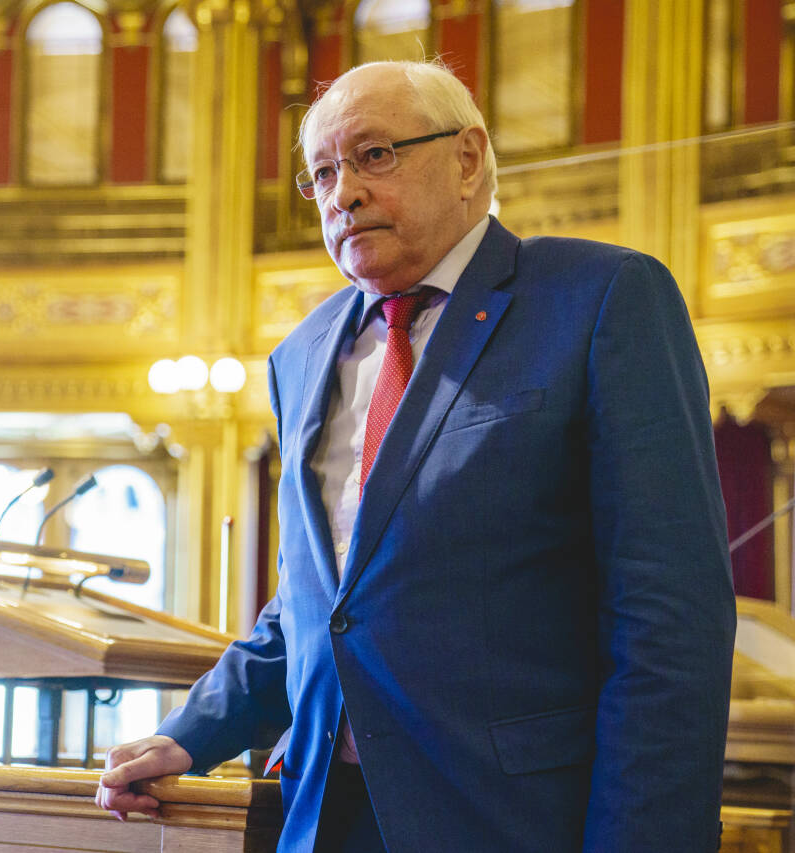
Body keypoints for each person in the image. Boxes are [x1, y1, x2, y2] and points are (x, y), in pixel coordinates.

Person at [95, 59, 737, 852]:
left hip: (520, 820)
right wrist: (190, 733)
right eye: (321, 173)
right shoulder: (300, 353)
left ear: (468, 159)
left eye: (374, 155)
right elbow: (321, 599)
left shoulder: (600, 299)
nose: (343, 192)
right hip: (326, 815)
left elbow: (669, 616)